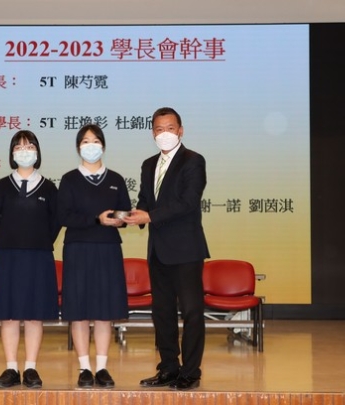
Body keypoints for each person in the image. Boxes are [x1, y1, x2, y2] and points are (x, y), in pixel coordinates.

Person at [124, 107, 209, 391]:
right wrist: (134, 215)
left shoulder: (193, 161)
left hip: (186, 250)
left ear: (180, 130)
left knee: (192, 312)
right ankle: (169, 368)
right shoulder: (149, 165)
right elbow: (145, 200)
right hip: (158, 250)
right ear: (153, 133)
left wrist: (150, 216)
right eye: (159, 129)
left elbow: (188, 202)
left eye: (170, 128)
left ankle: (191, 372)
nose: (165, 134)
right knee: (162, 313)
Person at [0, 130, 61, 389]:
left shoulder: (49, 188)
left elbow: (55, 223)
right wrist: (9, 240)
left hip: (39, 257)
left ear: (37, 152)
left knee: (34, 315)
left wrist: (38, 241)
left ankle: (30, 368)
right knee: (9, 315)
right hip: (7, 257)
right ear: (12, 153)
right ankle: (11, 368)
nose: (24, 151)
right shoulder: (2, 187)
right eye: (19, 147)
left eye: (29, 146)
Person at [57, 124, 131, 388]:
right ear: (78, 147)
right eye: (86, 141)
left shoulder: (116, 179)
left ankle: (102, 367)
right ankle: (84, 368)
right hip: (78, 249)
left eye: (96, 141)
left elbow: (125, 211)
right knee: (79, 311)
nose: (91, 146)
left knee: (104, 311)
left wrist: (121, 219)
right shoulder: (69, 179)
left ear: (104, 145)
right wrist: (96, 219)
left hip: (108, 248)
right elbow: (63, 215)